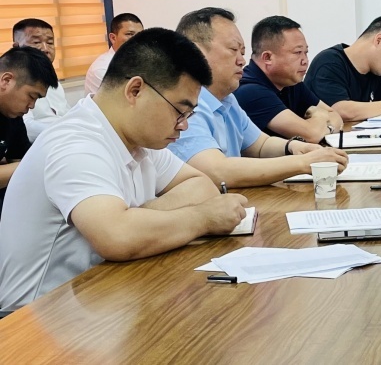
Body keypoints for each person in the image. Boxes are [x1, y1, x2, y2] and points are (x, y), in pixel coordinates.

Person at [0, 28, 248, 312]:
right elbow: (117, 237)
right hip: (34, 317)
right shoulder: (75, 144)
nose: (184, 125)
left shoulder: (139, 139)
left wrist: (139, 217)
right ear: (135, 90)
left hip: (98, 296)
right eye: (179, 111)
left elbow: (201, 186)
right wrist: (204, 218)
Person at [169, 8, 347, 188]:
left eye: (242, 52)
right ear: (195, 52)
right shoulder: (183, 106)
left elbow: (261, 145)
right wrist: (303, 163)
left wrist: (293, 147)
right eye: (233, 50)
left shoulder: (227, 100)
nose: (242, 61)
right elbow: (218, 171)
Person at [233, 16, 343, 142]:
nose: (305, 61)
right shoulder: (250, 91)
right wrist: (320, 116)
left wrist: (323, 127)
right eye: (298, 52)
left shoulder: (291, 82)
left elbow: (335, 116)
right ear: (267, 57)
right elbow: (312, 135)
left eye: (306, 52)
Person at [0, 47, 58, 216]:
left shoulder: (12, 115)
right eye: (31, 96)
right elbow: (26, 166)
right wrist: (38, 163)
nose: (32, 106)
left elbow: (19, 161)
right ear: (6, 80)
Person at [12, 19, 70, 141]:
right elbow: (26, 128)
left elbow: (66, 113)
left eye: (50, 43)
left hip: (64, 139)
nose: (45, 49)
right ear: (17, 47)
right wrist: (65, 130)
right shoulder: (11, 83)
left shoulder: (52, 80)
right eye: (36, 42)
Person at [85, 13, 144, 95]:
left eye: (140, 35)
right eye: (130, 34)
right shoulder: (103, 69)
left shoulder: (139, 60)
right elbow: (126, 99)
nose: (137, 39)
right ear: (113, 38)